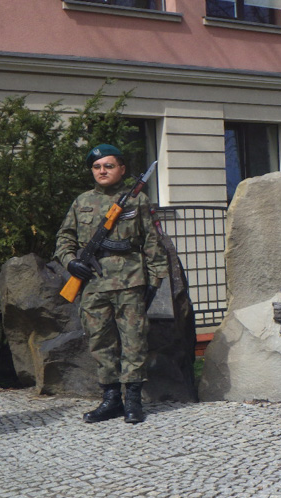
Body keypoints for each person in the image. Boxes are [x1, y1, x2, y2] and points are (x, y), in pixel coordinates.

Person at [55, 144, 168, 424]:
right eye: (97, 167)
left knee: (134, 341)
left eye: (108, 166)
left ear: (122, 169)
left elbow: (153, 244)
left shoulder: (137, 202)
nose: (102, 171)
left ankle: (132, 400)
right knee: (100, 342)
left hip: (130, 281)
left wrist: (155, 279)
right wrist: (71, 262)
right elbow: (64, 239)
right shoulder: (81, 202)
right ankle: (110, 399)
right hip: (93, 284)